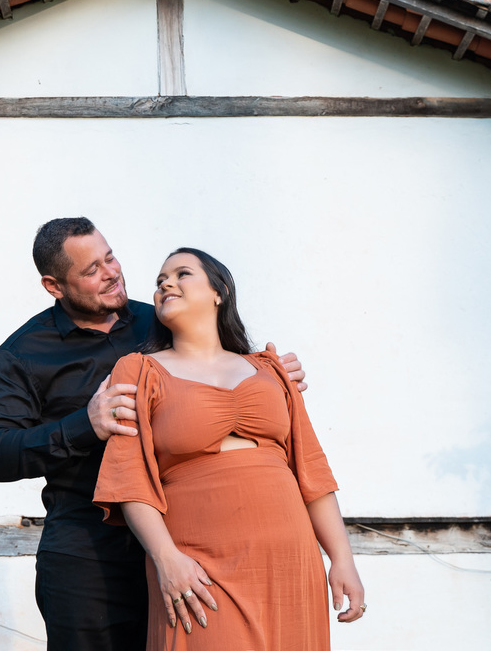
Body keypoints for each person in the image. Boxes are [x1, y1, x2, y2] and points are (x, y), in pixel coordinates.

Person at [0, 219, 307, 651]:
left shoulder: (160, 319)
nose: (111, 273)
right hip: (90, 558)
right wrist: (84, 426)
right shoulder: (24, 352)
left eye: (110, 257)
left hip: (188, 547)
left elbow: (221, 370)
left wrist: (274, 376)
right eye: (91, 270)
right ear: (54, 286)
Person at [93, 247, 365, 650]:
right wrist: (166, 558)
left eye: (182, 274)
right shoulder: (139, 370)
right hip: (196, 564)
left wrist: (342, 558)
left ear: (218, 292)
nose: (166, 284)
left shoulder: (271, 369)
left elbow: (311, 469)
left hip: (289, 559)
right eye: (160, 281)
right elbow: (129, 478)